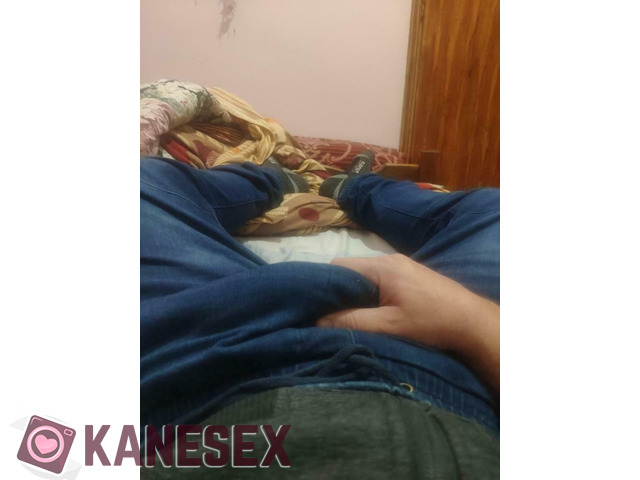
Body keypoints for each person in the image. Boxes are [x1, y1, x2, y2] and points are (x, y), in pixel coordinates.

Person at [140, 152, 500, 477]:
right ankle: (346, 185)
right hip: (463, 372)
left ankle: (275, 178)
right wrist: (472, 320)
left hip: (191, 373)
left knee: (144, 179)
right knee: (495, 208)